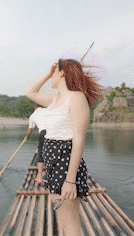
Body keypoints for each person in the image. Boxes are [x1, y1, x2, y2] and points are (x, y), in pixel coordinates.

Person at [24, 58, 103, 236]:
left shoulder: (76, 98)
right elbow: (29, 91)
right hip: (53, 167)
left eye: (54, 72)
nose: (51, 76)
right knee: (64, 223)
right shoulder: (54, 99)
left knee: (71, 227)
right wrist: (48, 72)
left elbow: (79, 141)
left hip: (65, 167)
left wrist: (69, 180)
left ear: (62, 72)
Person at [24, 103, 47, 184]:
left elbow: (30, 130)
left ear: (34, 107)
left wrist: (27, 137)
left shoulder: (33, 116)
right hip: (55, 131)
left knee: (41, 153)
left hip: (44, 132)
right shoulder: (47, 110)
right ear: (42, 106)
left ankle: (40, 176)